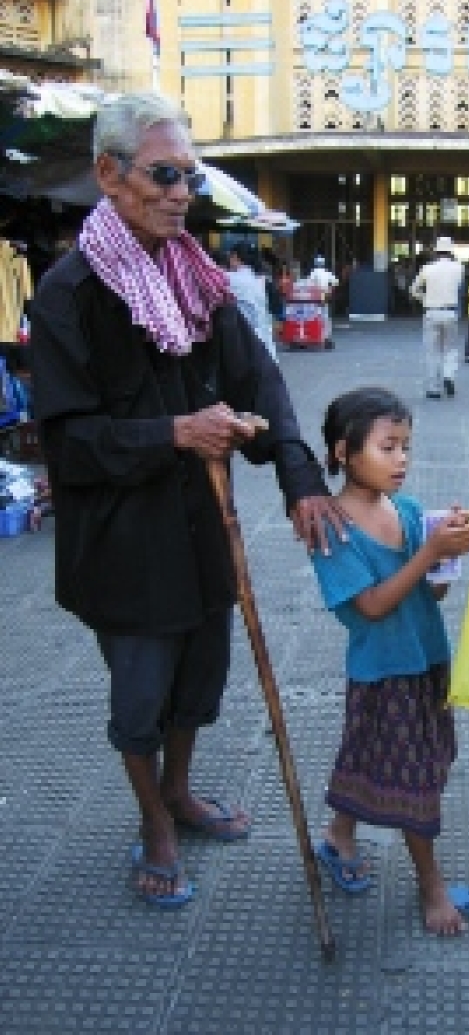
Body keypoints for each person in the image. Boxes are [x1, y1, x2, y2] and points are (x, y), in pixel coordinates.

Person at [28, 91, 344, 910]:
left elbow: (258, 381)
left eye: (189, 178)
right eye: (164, 175)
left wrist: (300, 478)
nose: (180, 194)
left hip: (204, 525)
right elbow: (68, 443)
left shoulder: (196, 276)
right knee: (141, 692)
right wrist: (174, 432)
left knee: (201, 676)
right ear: (110, 175)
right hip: (122, 540)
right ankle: (154, 820)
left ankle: (178, 790)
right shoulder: (69, 293)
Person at [309, 387, 469, 935]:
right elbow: (374, 607)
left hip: (427, 658)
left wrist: (447, 556)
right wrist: (430, 553)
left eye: (406, 446)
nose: (401, 459)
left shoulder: (406, 510)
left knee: (375, 754)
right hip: (384, 671)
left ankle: (339, 833)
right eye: (388, 447)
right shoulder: (332, 528)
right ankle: (431, 886)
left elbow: (430, 593)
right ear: (343, 452)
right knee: (415, 780)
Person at [410, 236, 464, 399]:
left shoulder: (427, 268)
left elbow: (413, 289)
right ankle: (448, 374)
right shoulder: (459, 268)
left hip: (431, 312)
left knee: (432, 351)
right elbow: (458, 286)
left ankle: (433, 389)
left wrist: (425, 299)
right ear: (451, 251)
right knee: (450, 348)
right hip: (450, 312)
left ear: (436, 251)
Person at [227, 242, 276, 358]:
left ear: (235, 257)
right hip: (264, 336)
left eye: (230, 256)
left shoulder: (231, 278)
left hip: (247, 339)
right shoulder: (261, 279)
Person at [308, 255, 339, 345]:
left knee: (315, 317)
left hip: (315, 297)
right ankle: (326, 337)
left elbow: (309, 285)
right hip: (325, 296)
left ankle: (315, 335)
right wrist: (330, 290)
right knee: (325, 317)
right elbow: (335, 282)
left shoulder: (313, 273)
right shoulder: (327, 273)